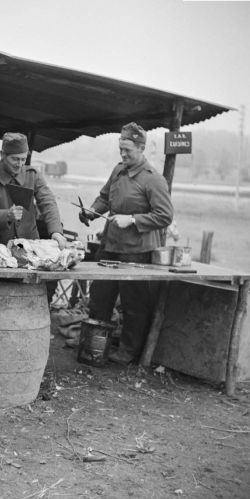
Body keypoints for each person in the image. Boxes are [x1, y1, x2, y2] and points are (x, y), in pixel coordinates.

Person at [79, 122, 174, 365]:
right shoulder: (118, 170)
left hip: (136, 253)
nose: (123, 154)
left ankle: (127, 352)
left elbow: (165, 216)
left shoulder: (153, 180)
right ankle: (93, 345)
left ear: (141, 149)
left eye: (128, 151)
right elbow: (104, 197)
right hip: (109, 247)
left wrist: (132, 219)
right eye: (121, 149)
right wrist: (91, 211)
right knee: (100, 298)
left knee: (134, 305)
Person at [0, 132, 66, 250]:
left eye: (23, 159)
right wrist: (6, 215)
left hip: (30, 246)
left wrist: (56, 231)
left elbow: (48, 202)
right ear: (2, 155)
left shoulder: (33, 175)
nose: (20, 164)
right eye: (15, 159)